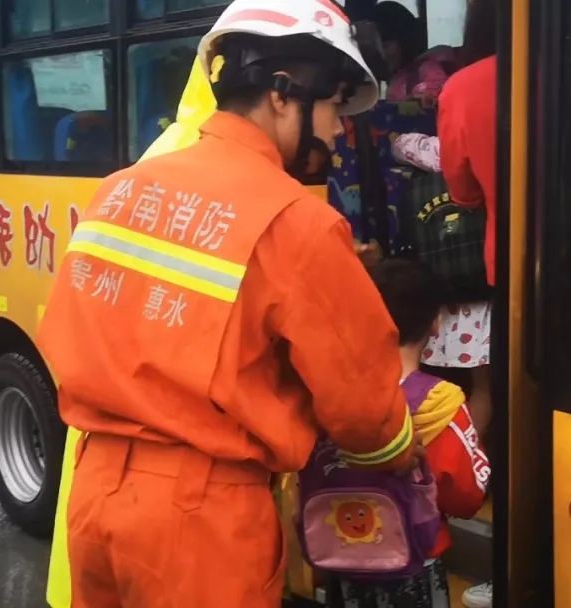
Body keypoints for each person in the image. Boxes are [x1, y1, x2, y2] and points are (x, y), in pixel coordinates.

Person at [35, 1, 422, 606]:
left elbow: (65, 328)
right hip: (202, 518)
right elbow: (362, 410)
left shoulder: (119, 189)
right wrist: (402, 449)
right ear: (281, 93)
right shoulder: (298, 222)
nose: (338, 131)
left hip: (93, 496)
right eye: (332, 106)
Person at [320, 259, 490, 608]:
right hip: (413, 559)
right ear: (436, 323)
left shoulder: (329, 394)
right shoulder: (440, 404)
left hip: (339, 555)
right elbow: (466, 496)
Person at [432, 0, 498, 605]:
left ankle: (466, 481)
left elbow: (462, 189)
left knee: (489, 384)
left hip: (508, 266)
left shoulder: (465, 87)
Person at [374, 1, 458, 105]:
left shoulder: (425, 65)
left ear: (405, 41)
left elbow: (437, 84)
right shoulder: (395, 79)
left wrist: (420, 97)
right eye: (376, 48)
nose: (381, 53)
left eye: (386, 45)